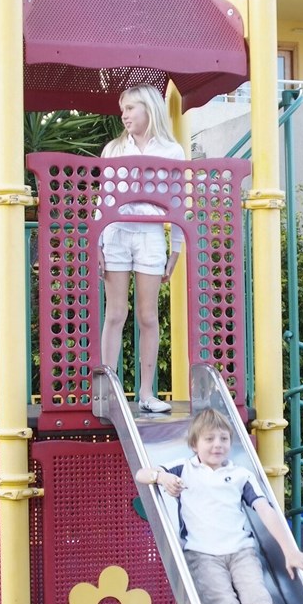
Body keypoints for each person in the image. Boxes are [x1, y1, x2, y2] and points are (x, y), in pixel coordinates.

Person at [136, 408, 303, 604]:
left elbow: (266, 510)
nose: (217, 445)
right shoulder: (183, 470)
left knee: (257, 596)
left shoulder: (241, 475)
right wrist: (162, 477)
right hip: (202, 555)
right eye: (209, 439)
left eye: (223, 439)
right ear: (195, 444)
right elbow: (142, 474)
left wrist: (290, 550)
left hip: (241, 551)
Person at [98, 85, 185, 414]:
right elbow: (103, 200)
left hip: (150, 235)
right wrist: (98, 242)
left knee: (148, 316)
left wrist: (176, 247)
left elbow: (178, 201)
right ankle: (110, 392)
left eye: (131, 108)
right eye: (124, 108)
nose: (125, 114)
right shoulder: (114, 149)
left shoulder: (172, 151)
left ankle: (147, 394)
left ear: (150, 109)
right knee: (115, 314)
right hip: (116, 233)